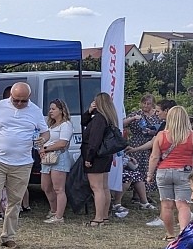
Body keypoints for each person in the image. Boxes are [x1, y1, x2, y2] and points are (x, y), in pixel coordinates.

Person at [0, 82, 47, 248]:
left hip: (22, 163)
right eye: (16, 100)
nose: (19, 103)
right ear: (10, 96)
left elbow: (46, 132)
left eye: (23, 101)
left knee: (15, 200)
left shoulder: (35, 111)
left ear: (29, 98)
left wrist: (43, 139)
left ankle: (8, 236)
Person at [147, 105, 193, 240]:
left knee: (166, 205)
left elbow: (154, 157)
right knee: (183, 205)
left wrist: (149, 174)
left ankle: (170, 234)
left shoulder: (161, 135)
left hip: (163, 172)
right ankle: (183, 234)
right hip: (184, 172)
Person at [81, 93, 122, 228]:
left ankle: (98, 217)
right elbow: (84, 122)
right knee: (104, 187)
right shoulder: (108, 117)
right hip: (105, 155)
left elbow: (94, 140)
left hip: (96, 156)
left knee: (96, 187)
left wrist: (89, 157)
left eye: (95, 101)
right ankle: (104, 216)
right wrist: (89, 111)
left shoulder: (99, 119)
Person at [121, 94, 161, 210]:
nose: (146, 106)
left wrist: (152, 132)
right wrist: (133, 119)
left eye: (148, 104)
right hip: (137, 143)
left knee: (150, 168)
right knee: (137, 168)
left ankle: (145, 194)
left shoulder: (157, 115)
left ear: (153, 104)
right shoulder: (136, 113)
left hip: (152, 142)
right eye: (144, 103)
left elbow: (162, 128)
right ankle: (136, 196)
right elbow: (122, 124)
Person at [38, 98, 74, 223]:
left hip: (59, 157)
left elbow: (62, 143)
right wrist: (41, 149)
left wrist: (46, 148)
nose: (50, 111)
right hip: (47, 158)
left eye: (53, 109)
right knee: (45, 186)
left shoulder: (66, 125)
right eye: (50, 109)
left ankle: (59, 216)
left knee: (59, 188)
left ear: (61, 110)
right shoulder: (51, 125)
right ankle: (54, 210)